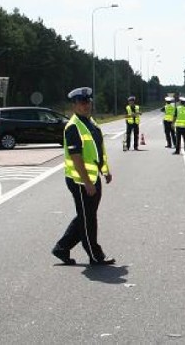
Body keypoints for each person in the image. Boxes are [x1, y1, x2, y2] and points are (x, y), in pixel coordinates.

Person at [52, 87, 115, 266]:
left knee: (86, 216)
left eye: (88, 102)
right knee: (88, 218)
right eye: (81, 103)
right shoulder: (73, 127)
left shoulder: (91, 123)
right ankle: (95, 255)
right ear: (74, 105)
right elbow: (76, 157)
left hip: (92, 178)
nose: (86, 105)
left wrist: (105, 170)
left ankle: (62, 248)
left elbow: (97, 150)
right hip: (80, 180)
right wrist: (87, 182)